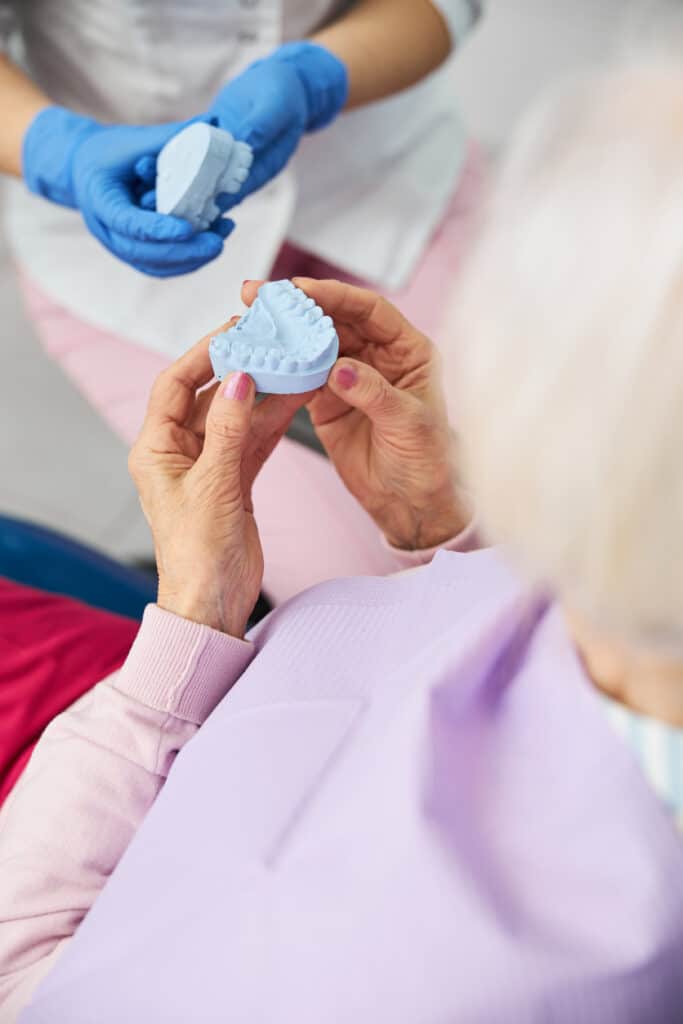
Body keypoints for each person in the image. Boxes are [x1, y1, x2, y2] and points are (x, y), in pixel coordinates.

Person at [3, 50, 683, 1024]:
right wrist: (449, 541)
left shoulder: (391, 975)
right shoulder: (596, 630)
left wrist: (186, 627)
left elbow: (26, 969)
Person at [0, 0, 486, 605]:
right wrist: (56, 152)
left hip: (385, 179)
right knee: (347, 585)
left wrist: (318, 77)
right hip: (115, 258)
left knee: (542, 485)